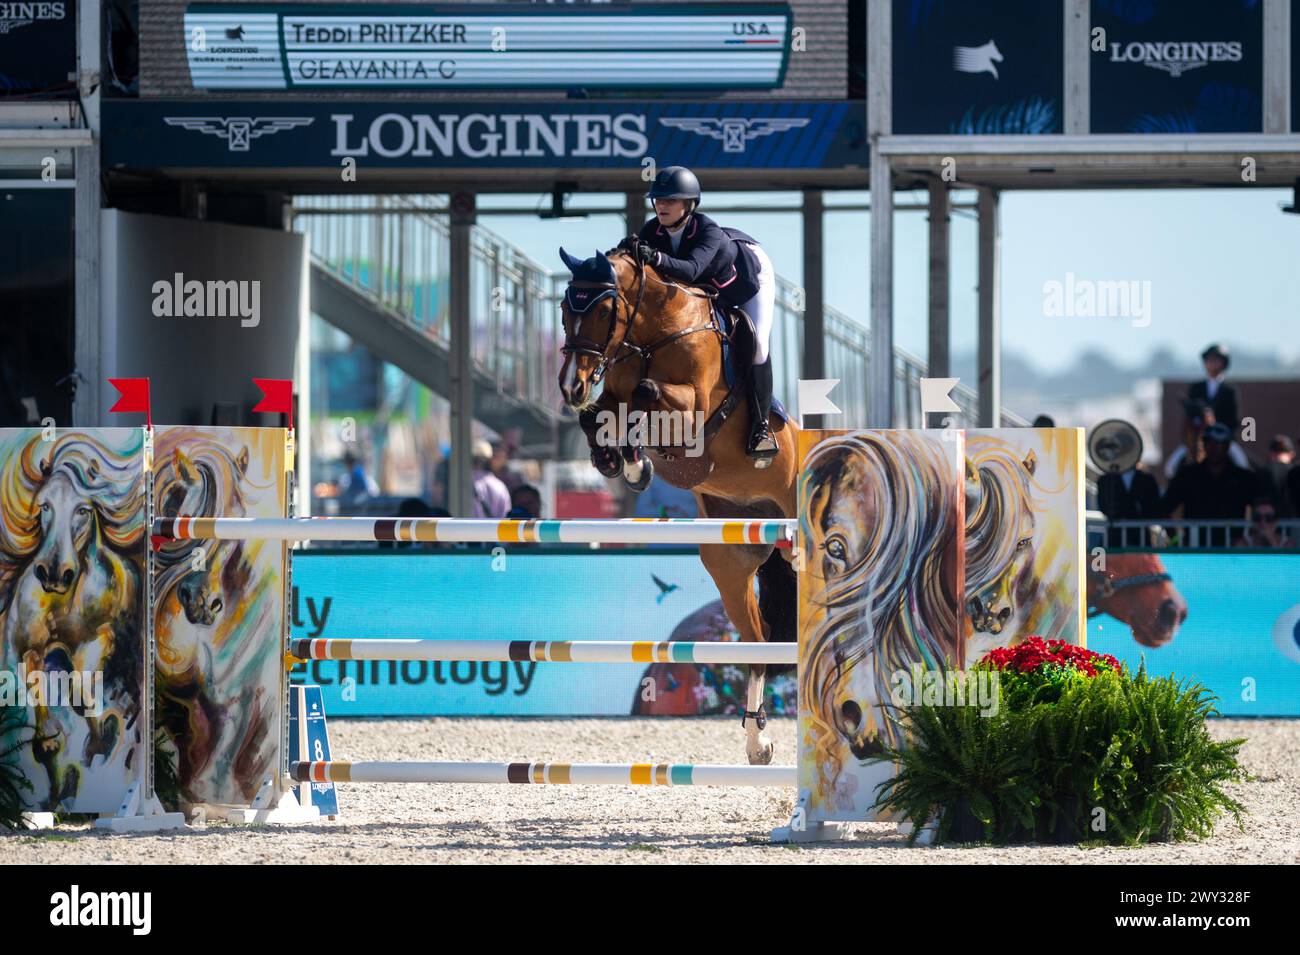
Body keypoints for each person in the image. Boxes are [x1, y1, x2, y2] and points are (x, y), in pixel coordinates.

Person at [622, 165, 779, 464]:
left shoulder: (708, 231)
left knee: (758, 343)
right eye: (658, 200)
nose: (662, 206)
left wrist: (654, 256)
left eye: (670, 200)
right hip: (706, 290)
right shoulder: (652, 230)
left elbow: (692, 270)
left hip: (748, 281)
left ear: (689, 204)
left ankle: (761, 428)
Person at [1159, 423, 1257, 547]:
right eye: (1209, 443)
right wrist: (1176, 539)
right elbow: (1163, 509)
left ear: (1227, 446)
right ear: (1204, 445)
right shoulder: (1188, 475)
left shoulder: (1243, 478)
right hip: (1196, 551)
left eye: (1219, 444)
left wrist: (1251, 539)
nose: (1214, 448)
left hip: (1233, 551)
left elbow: (1262, 508)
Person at [1097, 463, 1161, 548]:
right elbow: (1104, 507)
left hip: (1140, 540)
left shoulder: (1147, 479)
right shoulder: (1106, 480)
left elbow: (1154, 508)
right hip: (1113, 540)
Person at [1187, 343, 1238, 432]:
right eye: (1209, 359)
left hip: (1223, 438)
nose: (1212, 363)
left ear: (1223, 363)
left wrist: (1215, 423)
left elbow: (1234, 421)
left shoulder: (1230, 391)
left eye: (1216, 360)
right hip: (1199, 435)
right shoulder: (1196, 388)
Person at [1257, 435, 1296, 518]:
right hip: (1286, 522)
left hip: (1269, 522)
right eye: (1276, 451)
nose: (1278, 455)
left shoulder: (1263, 471)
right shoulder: (1295, 472)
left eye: (1281, 451)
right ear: (1291, 454)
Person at [471, 439, 511, 519]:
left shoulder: (459, 483)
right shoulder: (500, 486)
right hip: (492, 531)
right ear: (490, 459)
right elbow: (505, 517)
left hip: (463, 531)